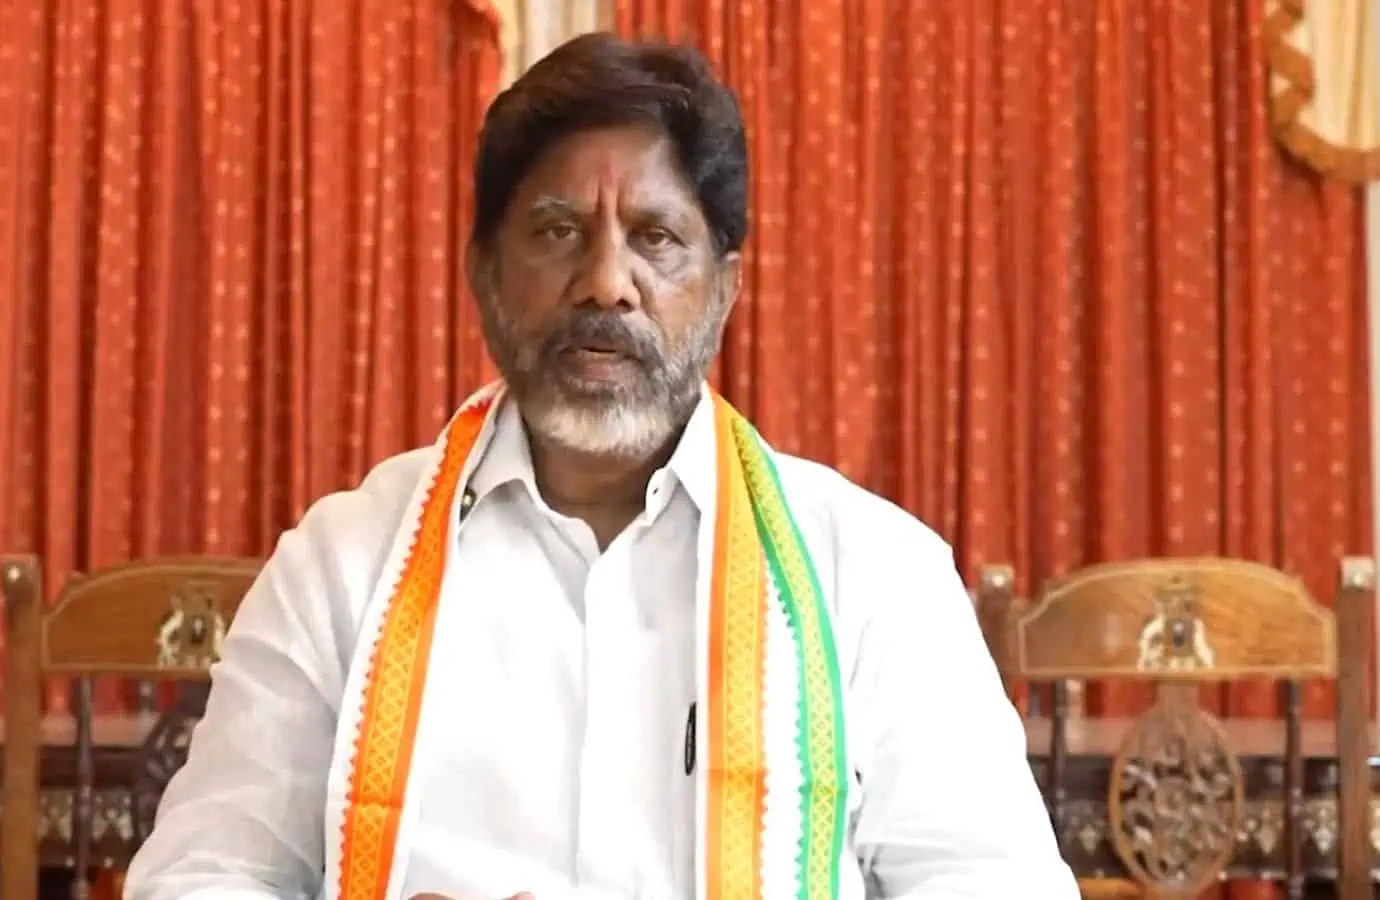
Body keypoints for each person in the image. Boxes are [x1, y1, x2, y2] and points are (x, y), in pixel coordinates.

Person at [124, 31, 1075, 900]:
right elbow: (204, 876)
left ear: (725, 289)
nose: (607, 283)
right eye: (557, 232)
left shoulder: (873, 573)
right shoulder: (341, 566)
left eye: (656, 238)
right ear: (485, 275)